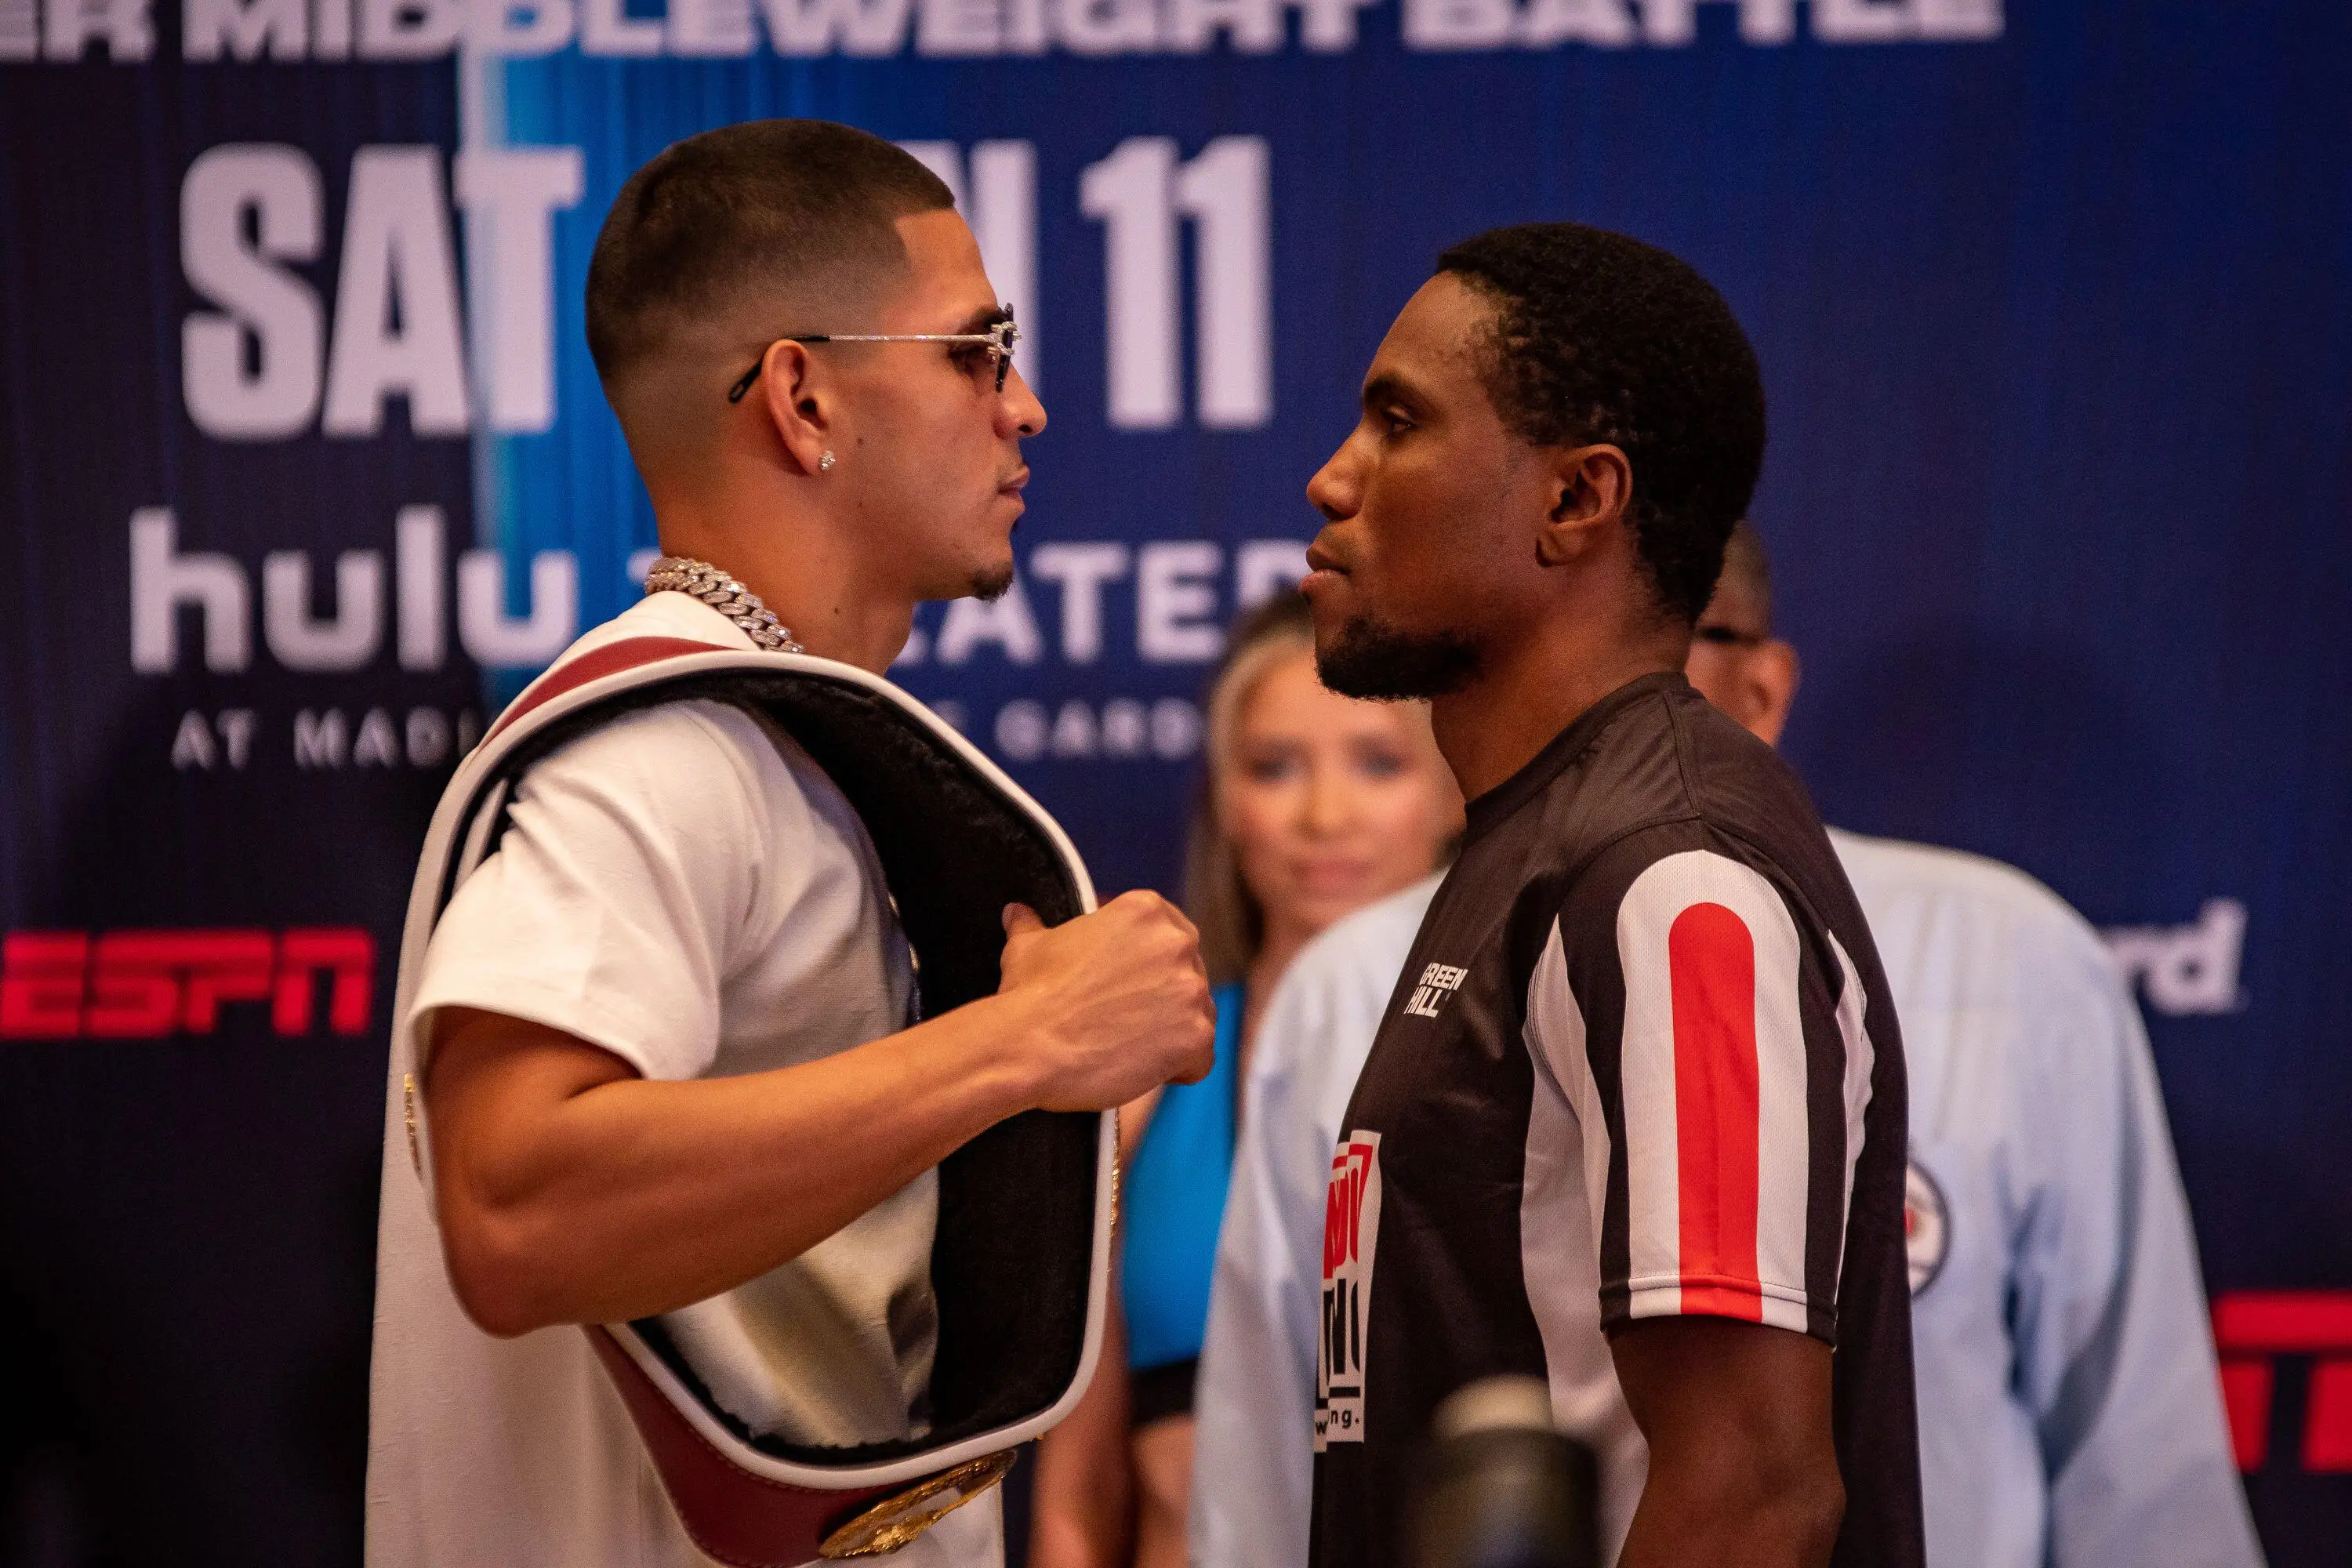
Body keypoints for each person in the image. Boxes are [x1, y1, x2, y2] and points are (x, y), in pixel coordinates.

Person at [365, 120, 1214, 1568]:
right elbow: (514, 1208)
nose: (1025, 408)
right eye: (978, 351)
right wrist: (1027, 1044)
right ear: (803, 398)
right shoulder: (660, 754)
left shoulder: (776, 750)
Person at [1190, 521, 2265, 1568]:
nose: (1580, 688)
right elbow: (1276, 1459)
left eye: (1647, 644)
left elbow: (2140, 1467)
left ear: (1760, 688)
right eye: (1530, 640)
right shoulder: (1356, 986)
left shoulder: (2012, 961)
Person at [1290, 223, 1922, 1568]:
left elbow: (1753, 1495)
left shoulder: (1672, 875)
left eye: (1399, 424)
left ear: (1576, 500)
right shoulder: (1545, 841)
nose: (1333, 477)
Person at [1027, 590, 1462, 1568]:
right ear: (1225, 801)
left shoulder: (1519, 1066)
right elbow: (1076, 1501)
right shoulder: (1141, 1089)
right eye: (1274, 767)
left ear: (1452, 794)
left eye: (1377, 762)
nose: (1324, 815)